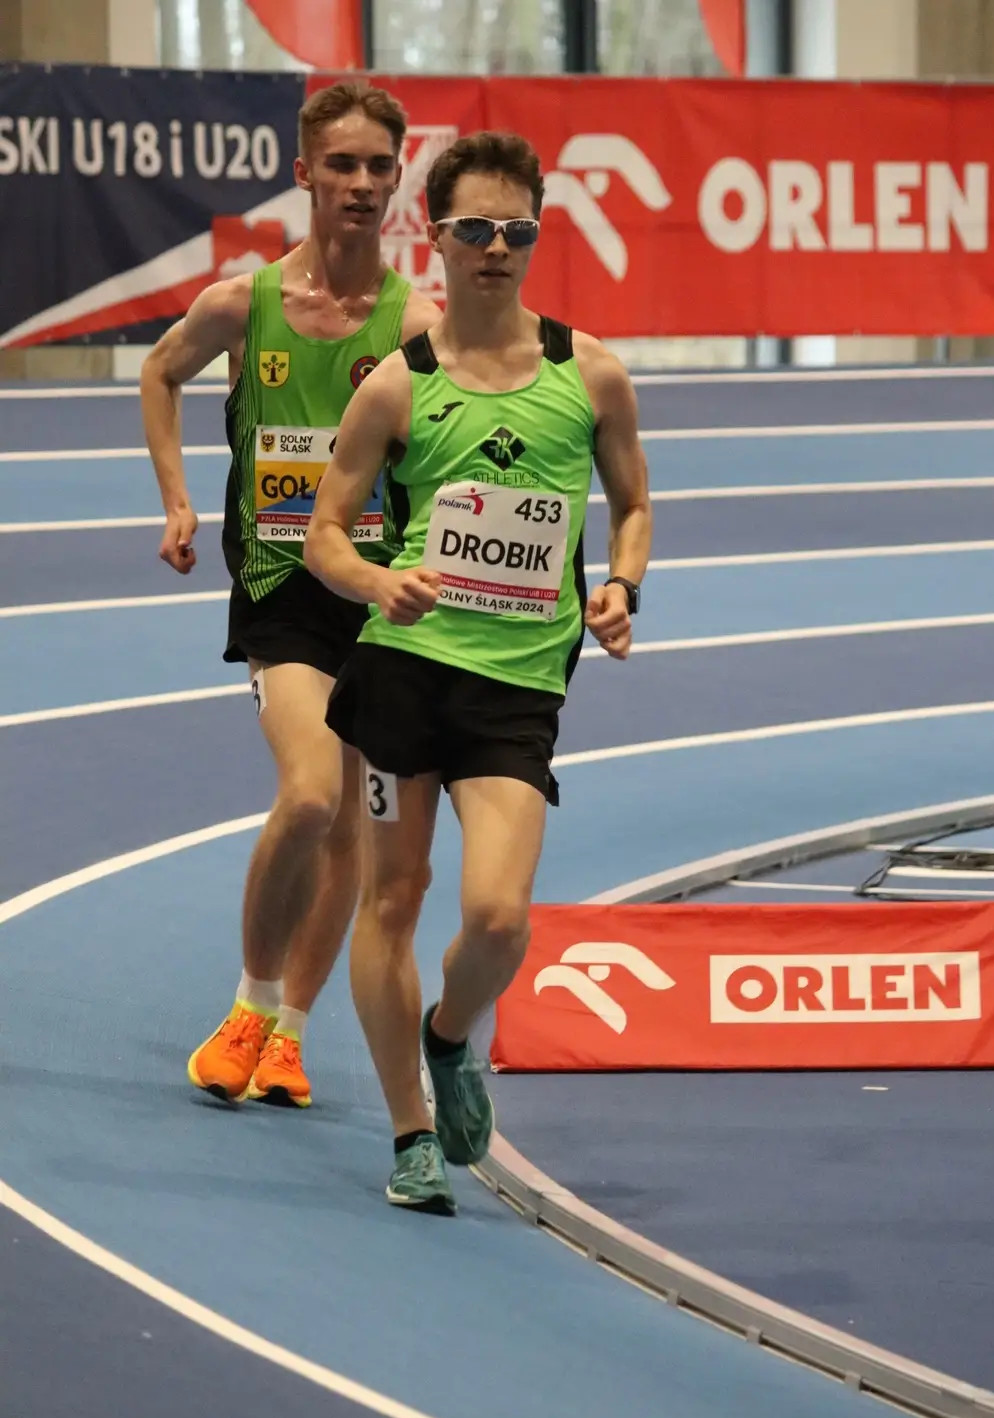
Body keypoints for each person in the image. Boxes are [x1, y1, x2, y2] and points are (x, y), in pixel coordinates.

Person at [304, 131, 651, 1213]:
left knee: (499, 918)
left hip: (515, 688)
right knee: (393, 896)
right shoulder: (395, 389)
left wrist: (622, 587)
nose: (495, 248)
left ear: (535, 237)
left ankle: (448, 1037)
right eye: (473, 230)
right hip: (402, 671)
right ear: (437, 238)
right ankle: (410, 1130)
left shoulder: (588, 371)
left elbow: (634, 505)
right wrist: (374, 583)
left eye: (516, 230)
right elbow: (322, 532)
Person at [140, 82, 440, 1108]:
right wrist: (179, 503)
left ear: (397, 181)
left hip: (378, 596)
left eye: (379, 168)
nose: (361, 184)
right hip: (282, 590)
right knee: (311, 794)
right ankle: (249, 1001)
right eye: (342, 165)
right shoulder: (247, 304)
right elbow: (159, 372)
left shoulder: (419, 325)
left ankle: (290, 1035)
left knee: (355, 825)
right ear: (305, 172)